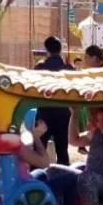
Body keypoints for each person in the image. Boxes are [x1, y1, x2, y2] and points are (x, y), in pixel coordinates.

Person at [20, 115, 80, 205]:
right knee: (72, 178)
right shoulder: (23, 144)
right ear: (34, 125)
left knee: (42, 173)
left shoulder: (23, 138)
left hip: (24, 179)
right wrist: (36, 137)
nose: (45, 122)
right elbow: (45, 162)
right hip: (23, 187)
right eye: (40, 121)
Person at [35, 36, 73, 165]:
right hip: (63, 113)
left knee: (39, 148)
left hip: (44, 112)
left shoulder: (40, 67)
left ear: (46, 49)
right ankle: (64, 173)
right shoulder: (68, 68)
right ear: (60, 49)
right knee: (62, 150)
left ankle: (36, 173)